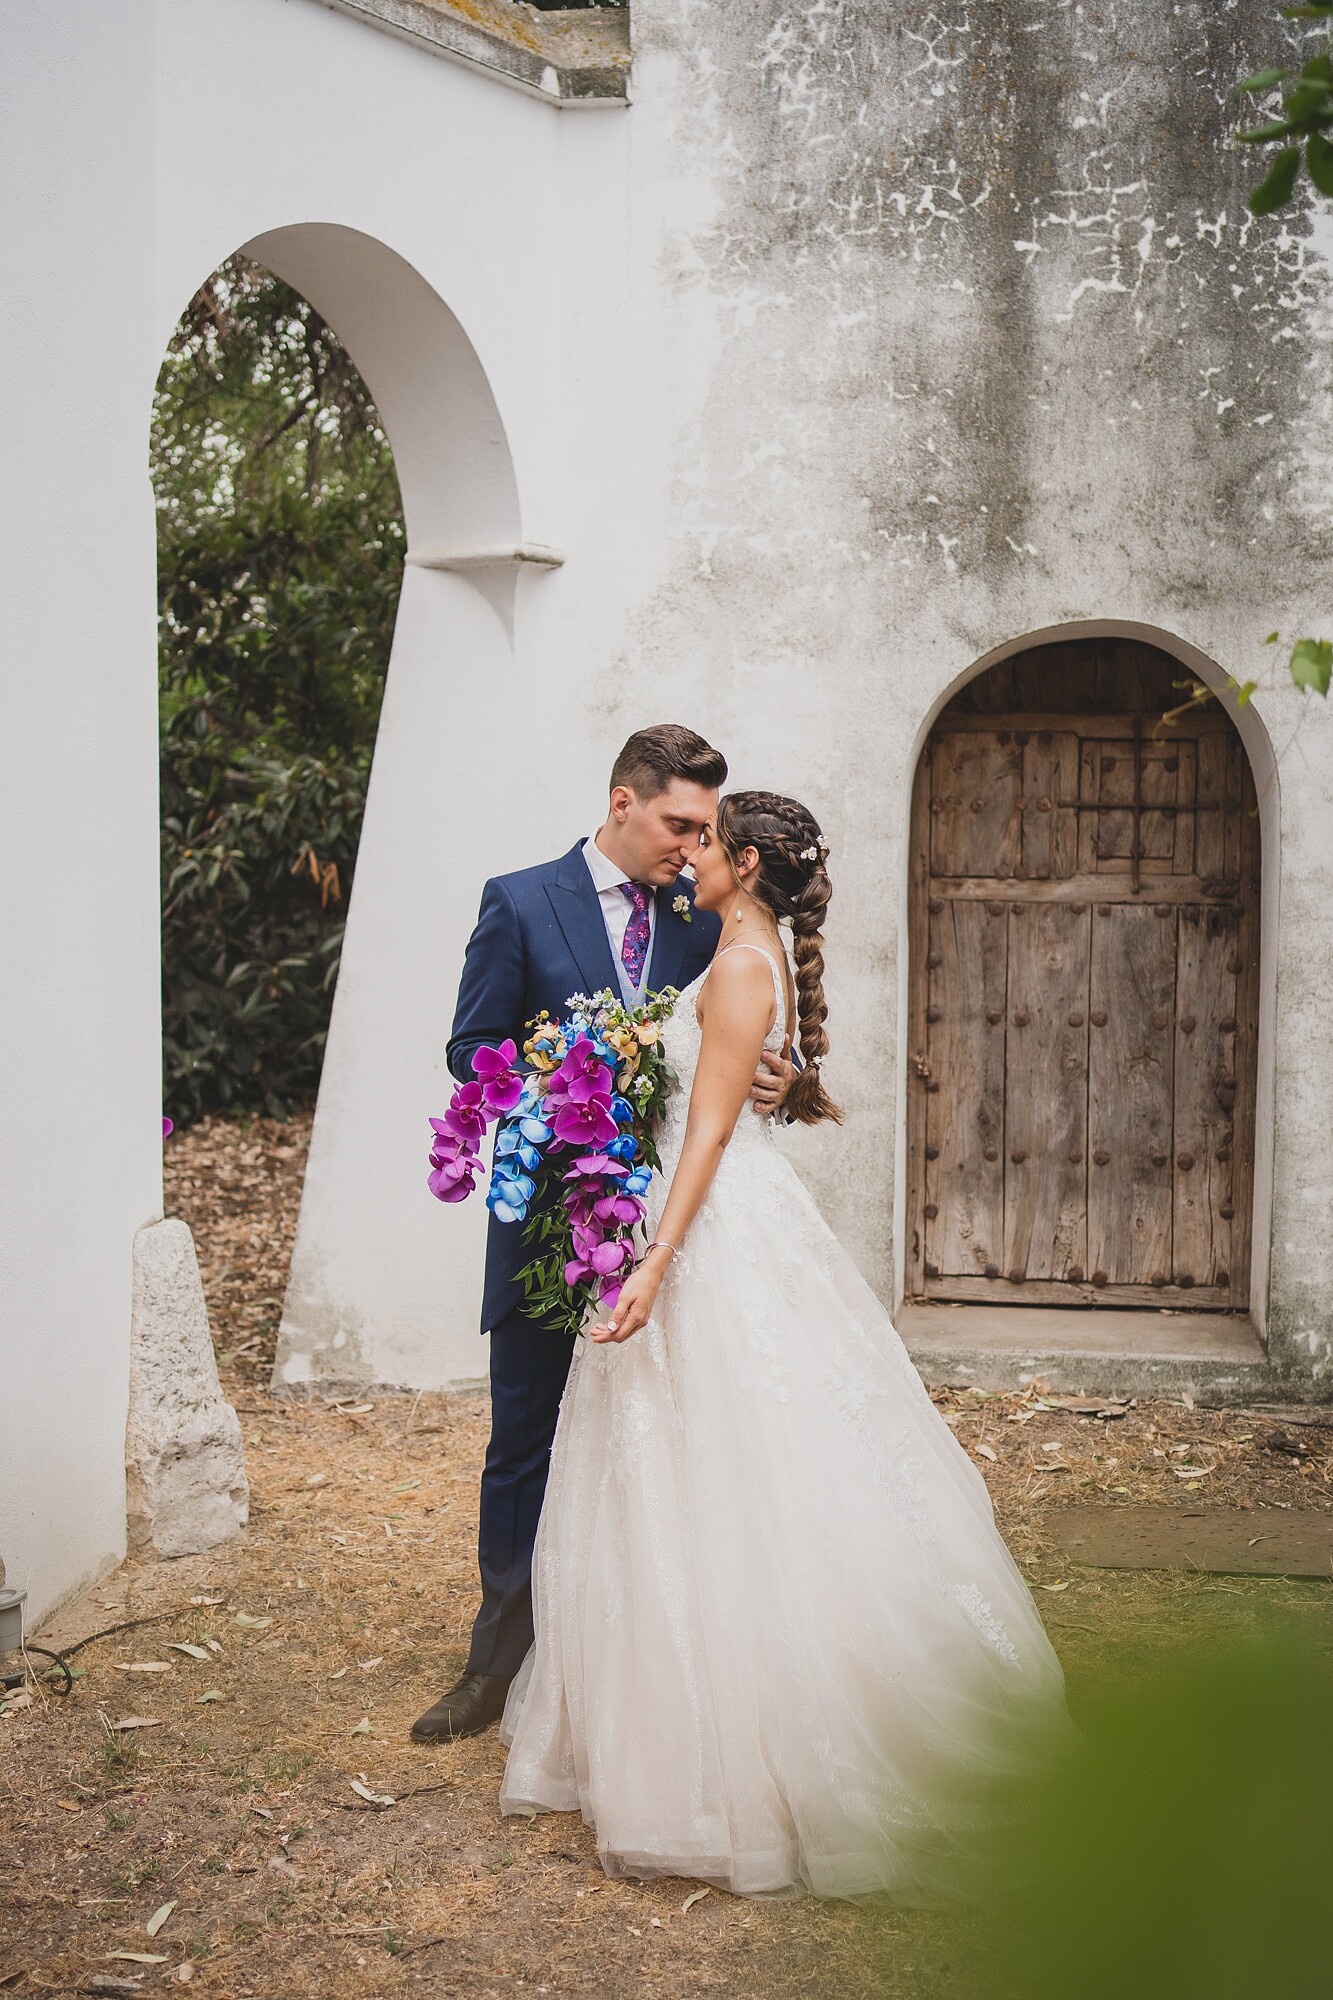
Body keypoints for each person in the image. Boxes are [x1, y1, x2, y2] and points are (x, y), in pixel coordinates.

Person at [496, 791, 1071, 1899]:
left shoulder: (743, 959)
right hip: (716, 1213)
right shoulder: (742, 948)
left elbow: (707, 1127)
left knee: (736, 1467)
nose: (684, 855)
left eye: (703, 841)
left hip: (708, 1231)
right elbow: (719, 1093)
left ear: (743, 858)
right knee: (706, 1465)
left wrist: (653, 1259)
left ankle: (746, 1745)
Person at [411, 728, 794, 1744]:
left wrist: (785, 1072)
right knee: (525, 1437)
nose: (690, 843)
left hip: (671, 1221)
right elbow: (470, 1048)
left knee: (656, 1441)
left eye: (703, 829)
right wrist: (564, 1063)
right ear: (623, 800)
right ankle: (496, 1661)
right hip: (549, 1218)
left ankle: (623, 1658)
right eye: (678, 822)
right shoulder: (520, 898)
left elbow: (744, 1021)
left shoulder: (700, 909)